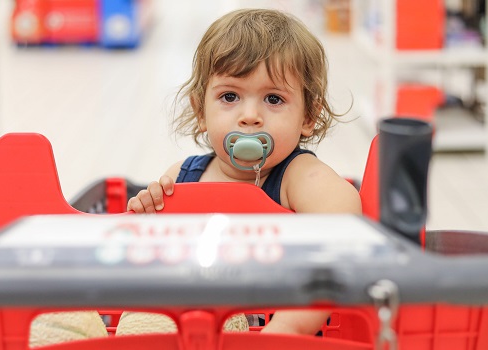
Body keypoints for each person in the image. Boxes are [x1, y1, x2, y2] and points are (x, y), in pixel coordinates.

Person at [127, 8, 361, 335]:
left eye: (274, 99)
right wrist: (148, 220)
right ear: (201, 112)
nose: (250, 116)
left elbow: (344, 226)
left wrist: (287, 329)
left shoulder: (298, 176)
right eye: (230, 96)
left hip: (277, 333)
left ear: (308, 116)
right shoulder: (183, 176)